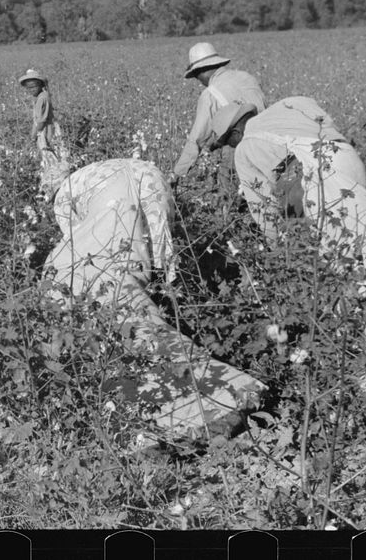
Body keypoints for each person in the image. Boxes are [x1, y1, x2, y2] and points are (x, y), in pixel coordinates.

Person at [45, 158, 265, 440]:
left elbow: (79, 243)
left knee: (124, 309)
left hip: (115, 216)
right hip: (152, 179)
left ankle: (212, 399)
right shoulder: (94, 170)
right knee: (140, 278)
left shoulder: (63, 195)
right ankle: (221, 387)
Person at [209, 97, 366, 305]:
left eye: (227, 142)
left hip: (322, 185)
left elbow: (263, 209)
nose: (231, 147)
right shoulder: (288, 106)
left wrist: (279, 254)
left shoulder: (244, 149)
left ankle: (364, 318)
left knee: (341, 265)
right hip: (350, 160)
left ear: (235, 133)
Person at [170, 42, 267, 185]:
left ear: (201, 71)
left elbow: (197, 139)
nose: (198, 81)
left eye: (196, 76)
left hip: (240, 148)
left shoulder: (210, 94)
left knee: (229, 194)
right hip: (269, 140)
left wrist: (177, 174)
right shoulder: (246, 77)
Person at [19, 68, 70, 195]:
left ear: (40, 85)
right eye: (29, 88)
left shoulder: (43, 98)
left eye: (34, 87)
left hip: (46, 129)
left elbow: (41, 121)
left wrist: (33, 135)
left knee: (49, 155)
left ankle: (53, 187)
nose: (31, 90)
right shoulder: (41, 97)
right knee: (50, 156)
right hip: (43, 128)